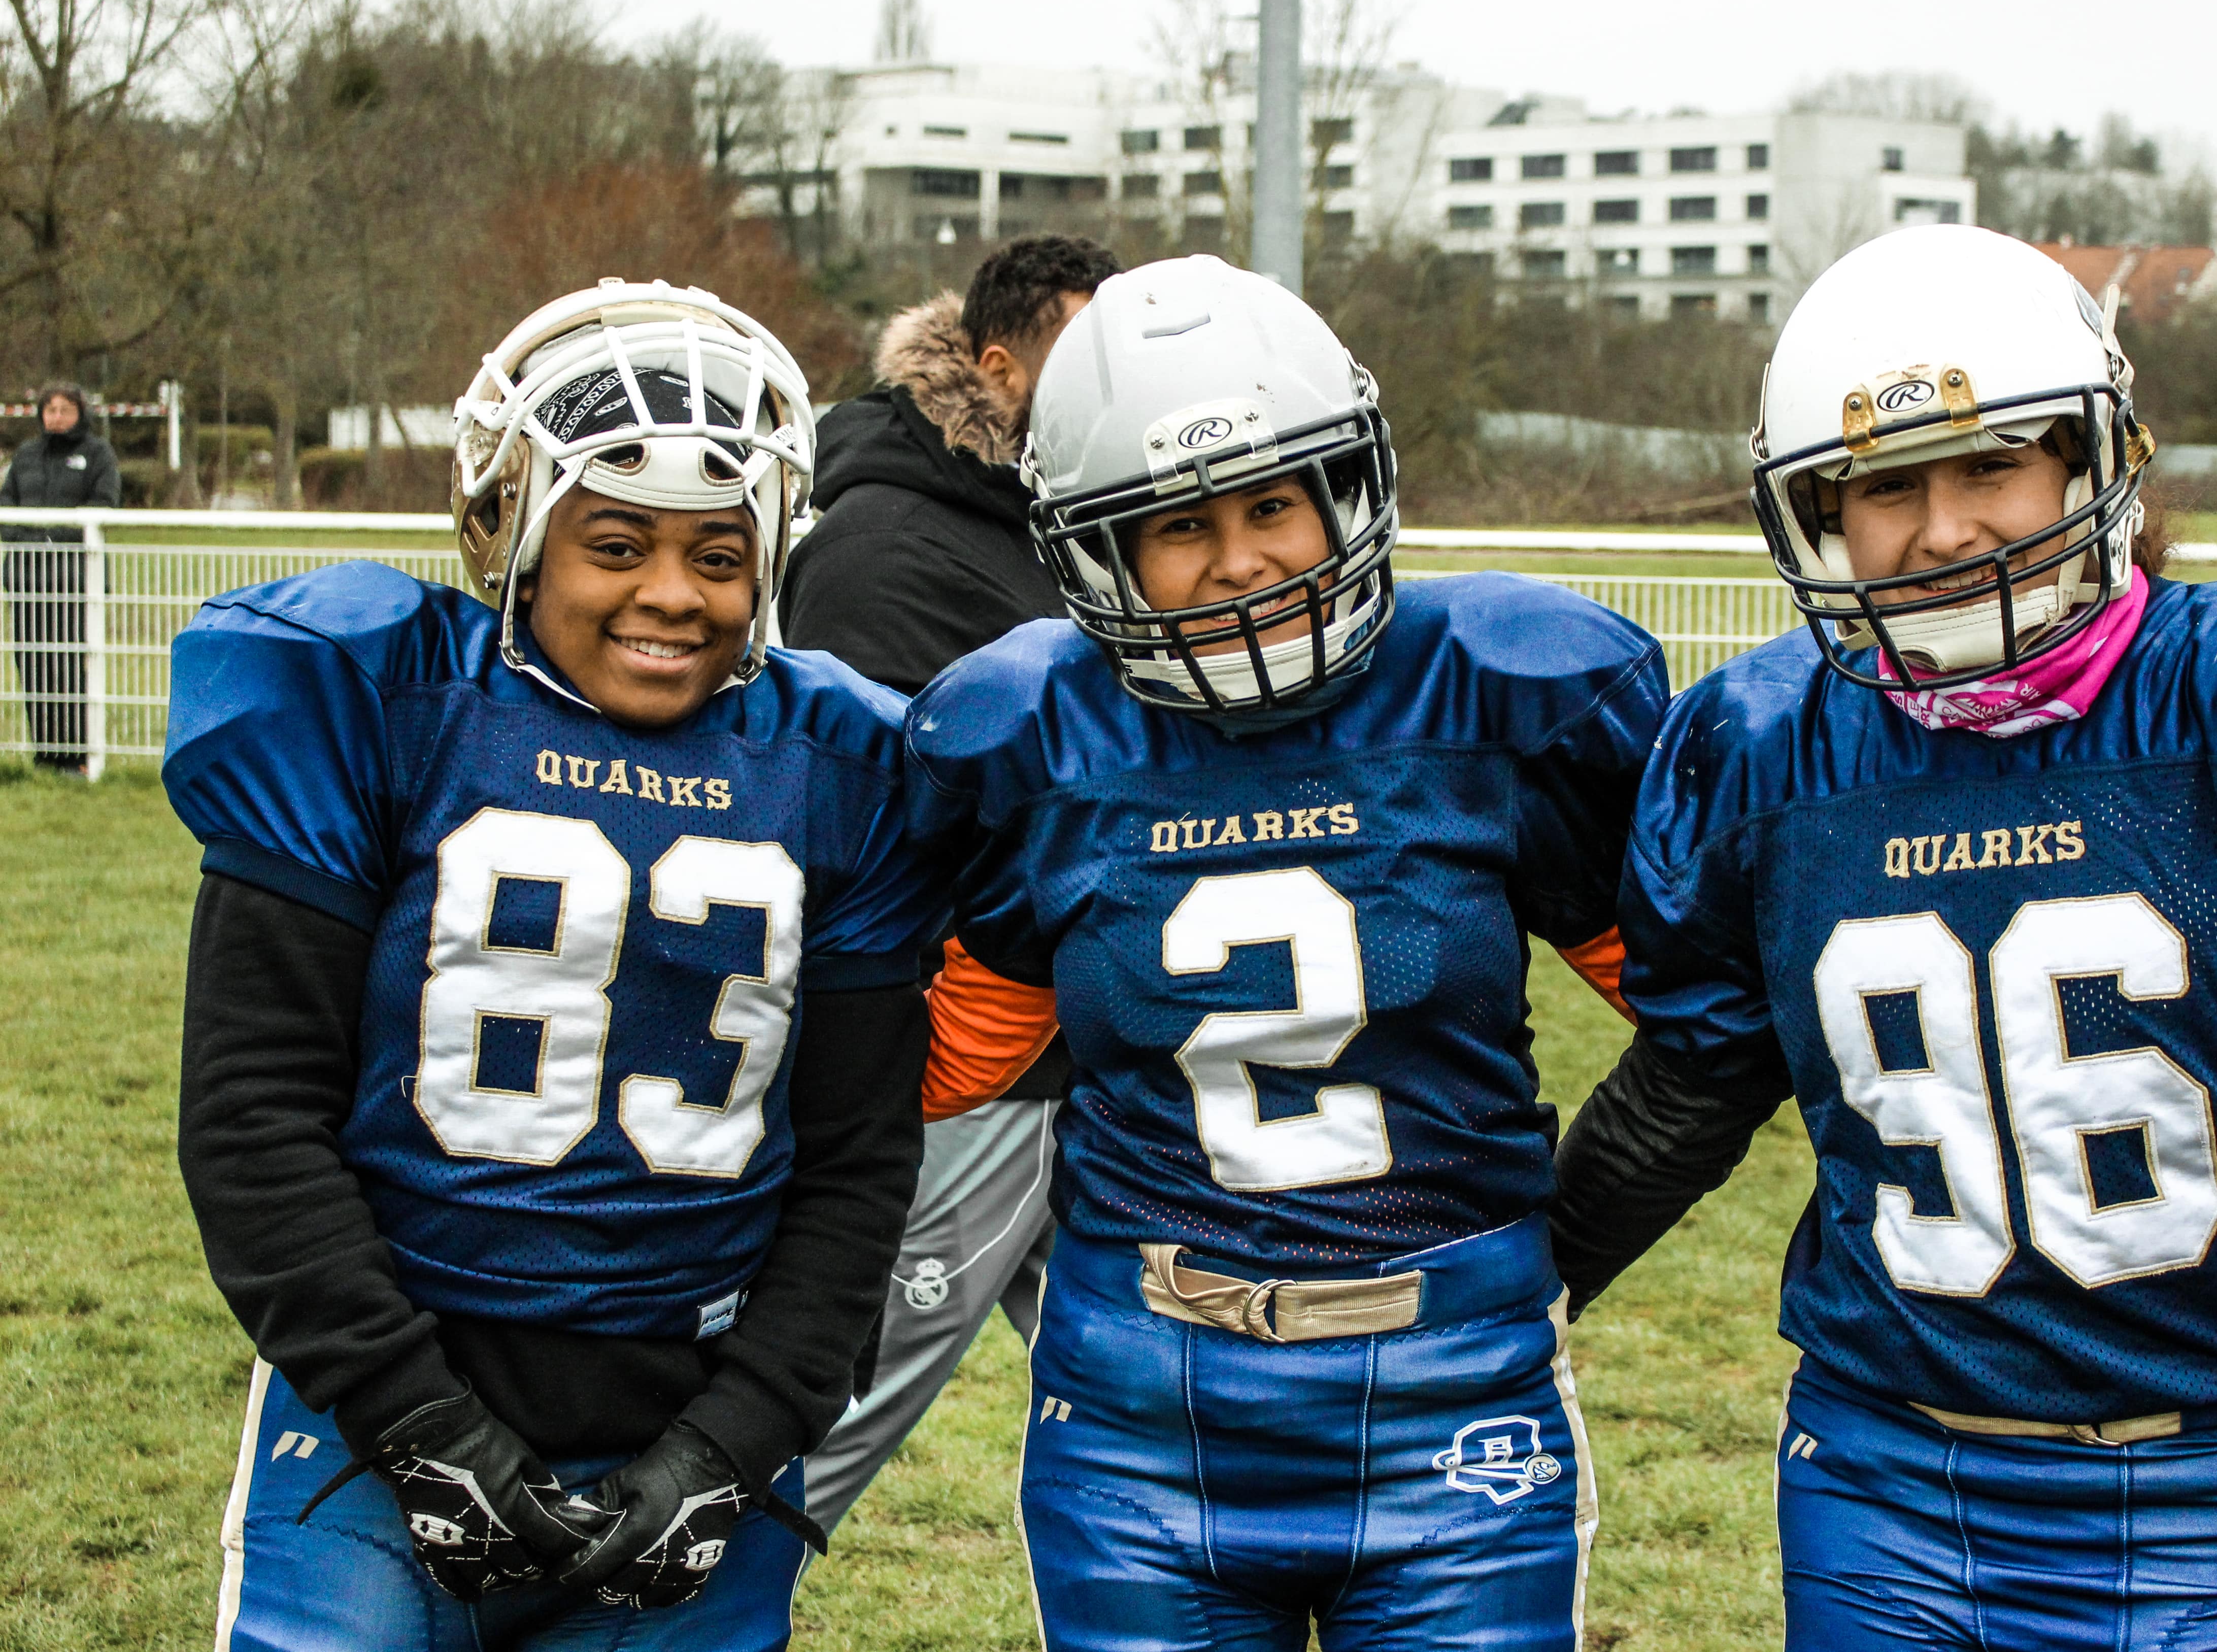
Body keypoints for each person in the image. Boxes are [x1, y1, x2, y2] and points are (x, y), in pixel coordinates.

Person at [1549, 223, 2217, 1652]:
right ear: (1819, 513)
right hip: (1886, 1477)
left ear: (2088, 459)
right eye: (1887, 487)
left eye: (1991, 467)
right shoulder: (1765, 752)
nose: (1945, 531)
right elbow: (1693, 1091)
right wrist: (1503, 1297)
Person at [162, 279, 946, 1650]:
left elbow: (856, 1165)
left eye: (718, 554)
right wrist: (414, 1422)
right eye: (617, 543)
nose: (670, 594)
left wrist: (737, 1442)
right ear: (513, 533)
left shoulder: (843, 767)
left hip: (691, 1417)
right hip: (373, 1434)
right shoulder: (382, 705)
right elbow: (251, 1117)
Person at [901, 254, 1667, 1652]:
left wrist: (1567, 1242)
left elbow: (1703, 1026)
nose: (1244, 558)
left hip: (1457, 1373)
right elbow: (956, 1060)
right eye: (1178, 524)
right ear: (1092, 547)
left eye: (1274, 503)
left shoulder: (1496, 690)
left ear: (1348, 490)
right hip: (1142, 1390)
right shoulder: (1030, 733)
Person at [780, 233, 1118, 1534]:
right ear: (995, 363)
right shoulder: (884, 545)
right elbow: (877, 824)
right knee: (807, 1431)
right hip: (957, 1065)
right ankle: (636, 1603)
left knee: (1156, 1422)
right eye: (1083, 359)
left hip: (1086, 1057)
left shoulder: (1059, 516)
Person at [4, 382, 121, 769]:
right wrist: (28, 536)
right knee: (33, 664)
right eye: (50, 409)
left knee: (70, 666)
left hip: (75, 581)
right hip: (26, 581)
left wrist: (54, 537)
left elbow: (105, 504)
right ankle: (46, 755)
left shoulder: (98, 454)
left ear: (80, 413)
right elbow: (7, 505)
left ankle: (79, 756)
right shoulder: (26, 456)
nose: (57, 417)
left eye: (65, 409)